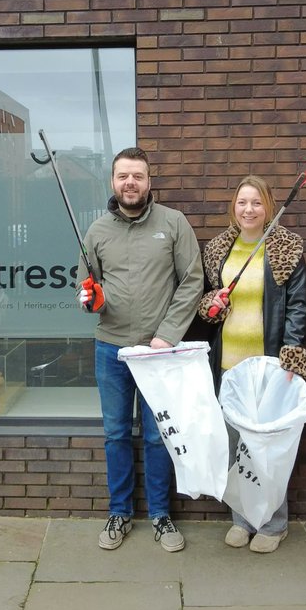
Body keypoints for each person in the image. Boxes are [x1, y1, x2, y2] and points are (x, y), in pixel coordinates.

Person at [79, 147, 204, 552]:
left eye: (137, 176)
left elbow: (192, 281)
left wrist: (167, 333)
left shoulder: (173, 223)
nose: (129, 183)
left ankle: (161, 515)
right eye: (122, 176)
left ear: (150, 181)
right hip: (110, 350)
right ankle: (119, 512)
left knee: (157, 436)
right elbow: (86, 286)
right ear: (113, 182)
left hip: (158, 353)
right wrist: (89, 299)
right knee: (115, 434)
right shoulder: (96, 231)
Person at [198, 176, 306, 553]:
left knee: (266, 449)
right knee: (235, 446)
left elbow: (297, 306)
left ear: (268, 207)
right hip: (229, 366)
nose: (249, 210)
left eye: (257, 203)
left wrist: (290, 354)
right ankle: (242, 519)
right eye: (242, 202)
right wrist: (211, 306)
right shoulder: (218, 250)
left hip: (267, 368)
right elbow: (206, 304)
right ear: (234, 206)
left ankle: (274, 523)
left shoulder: (285, 249)